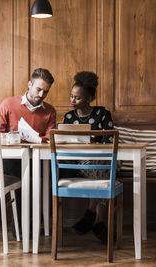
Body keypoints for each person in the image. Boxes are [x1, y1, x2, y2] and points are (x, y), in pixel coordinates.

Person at [0, 68, 56, 237]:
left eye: (46, 91)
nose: (42, 94)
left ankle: (37, 223)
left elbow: (49, 137)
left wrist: (36, 139)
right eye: (39, 89)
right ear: (29, 84)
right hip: (13, 158)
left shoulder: (49, 110)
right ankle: (21, 227)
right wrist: (14, 138)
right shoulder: (8, 104)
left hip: (39, 159)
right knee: (18, 177)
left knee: (50, 176)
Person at [62, 71, 114, 243]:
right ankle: (98, 220)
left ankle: (92, 213)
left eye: (77, 98)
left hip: (102, 160)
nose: (73, 101)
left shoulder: (102, 113)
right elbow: (64, 143)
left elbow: (109, 142)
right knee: (104, 172)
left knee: (102, 164)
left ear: (89, 98)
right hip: (77, 162)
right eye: (71, 96)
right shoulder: (69, 117)